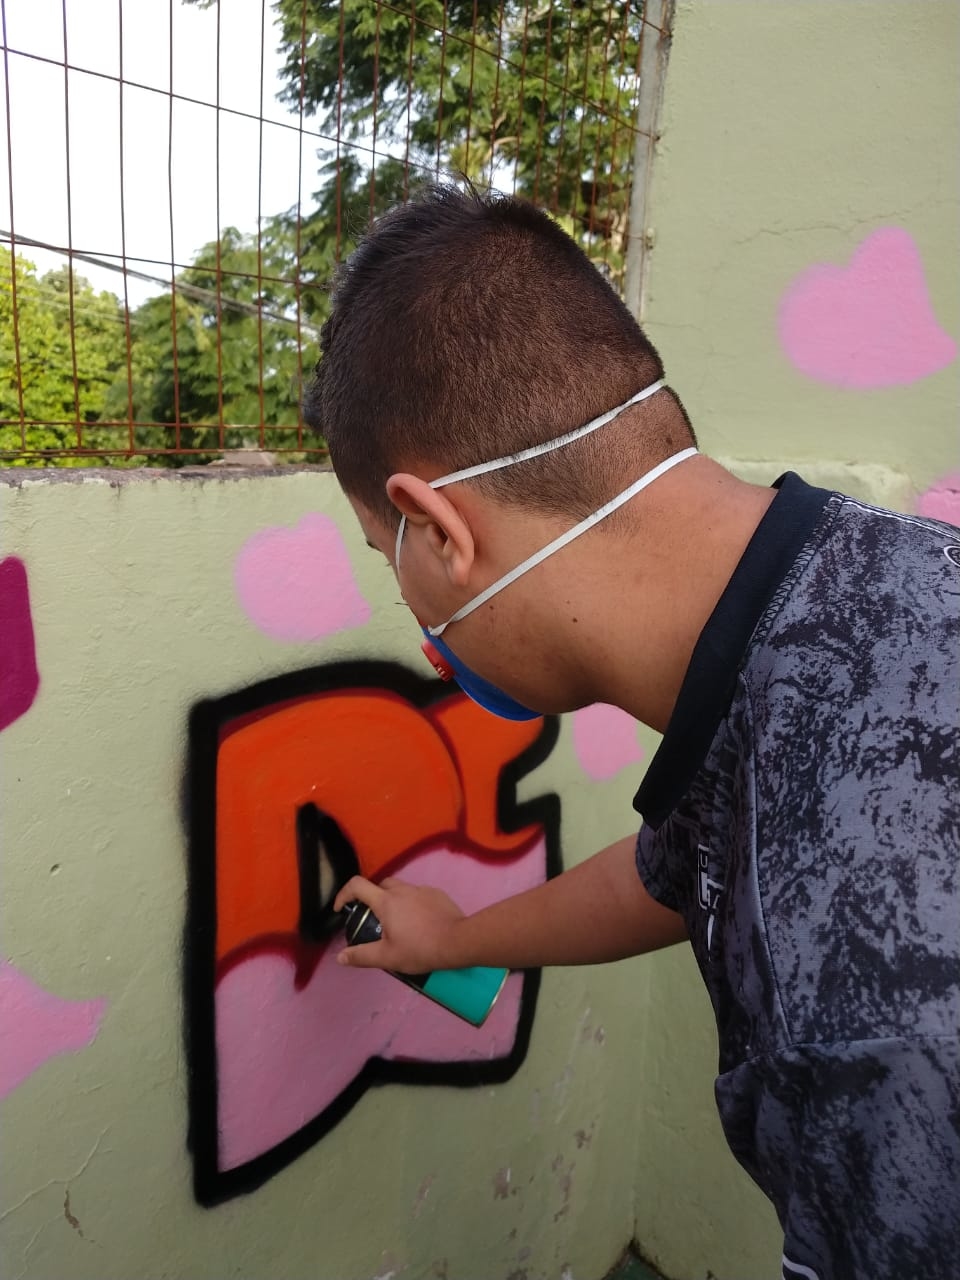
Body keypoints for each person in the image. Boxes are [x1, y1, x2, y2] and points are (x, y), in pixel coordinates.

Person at [304, 186, 959, 1280]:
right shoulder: (868, 577)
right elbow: (688, 867)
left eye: (389, 557)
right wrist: (456, 938)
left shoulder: (864, 1024)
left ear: (441, 528)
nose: (413, 617)